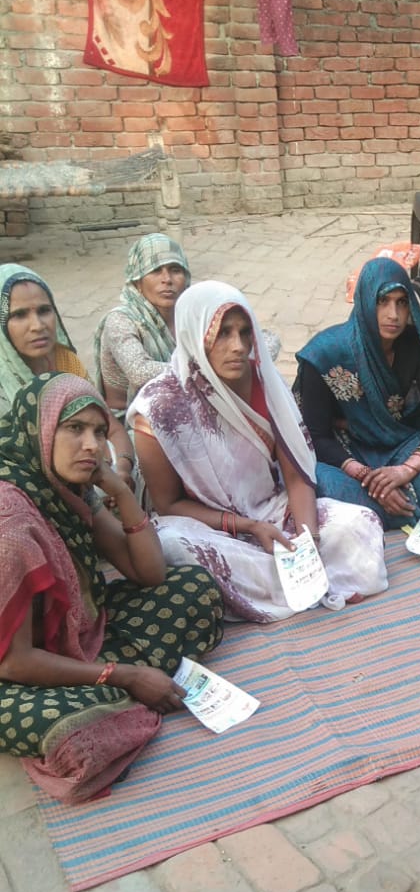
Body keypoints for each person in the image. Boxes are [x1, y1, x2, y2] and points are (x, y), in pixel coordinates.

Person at [0, 372, 224, 804]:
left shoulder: (69, 488)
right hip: (14, 670)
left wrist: (120, 492)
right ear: (40, 429)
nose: (91, 445)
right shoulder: (10, 523)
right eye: (74, 428)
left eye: (100, 432)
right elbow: (14, 660)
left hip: (76, 640)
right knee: (79, 740)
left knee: (194, 587)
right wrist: (126, 675)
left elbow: (149, 574)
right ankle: (122, 691)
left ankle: (117, 695)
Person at [130, 281, 388, 622]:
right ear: (194, 334)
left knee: (359, 523)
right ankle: (300, 584)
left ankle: (297, 579)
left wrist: (308, 541)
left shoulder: (264, 380)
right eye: (222, 333)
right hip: (210, 527)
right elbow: (169, 505)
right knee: (173, 545)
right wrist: (248, 526)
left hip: (273, 511)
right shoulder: (159, 408)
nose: (238, 346)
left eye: (244, 332)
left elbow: (295, 476)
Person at [295, 258, 420, 529]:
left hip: (403, 444)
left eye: (402, 302)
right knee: (317, 479)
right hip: (348, 453)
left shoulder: (415, 345)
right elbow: (316, 436)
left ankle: (384, 510)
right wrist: (368, 478)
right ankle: (402, 504)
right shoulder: (325, 353)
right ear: (366, 300)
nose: (394, 314)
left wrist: (406, 470)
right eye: (383, 301)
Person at [0, 264, 136, 483]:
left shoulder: (64, 361)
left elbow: (110, 427)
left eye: (44, 310)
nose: (37, 326)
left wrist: (121, 469)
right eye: (19, 315)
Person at [93, 233, 190, 414]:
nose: (167, 279)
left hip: (180, 405)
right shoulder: (121, 320)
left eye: (175, 270)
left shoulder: (188, 315)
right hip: (129, 417)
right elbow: (139, 372)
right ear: (137, 281)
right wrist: (201, 370)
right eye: (155, 270)